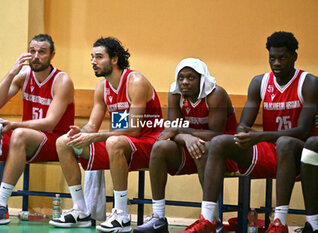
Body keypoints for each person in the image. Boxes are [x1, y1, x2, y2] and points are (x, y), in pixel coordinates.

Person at [195, 31, 318, 233]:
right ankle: (208, 219)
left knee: (285, 142)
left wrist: (259, 136)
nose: (276, 63)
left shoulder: (309, 82)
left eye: (282, 58)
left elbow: (303, 131)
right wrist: (244, 135)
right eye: (272, 58)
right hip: (271, 149)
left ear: (294, 57)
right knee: (219, 142)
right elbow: (243, 126)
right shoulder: (259, 82)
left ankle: (279, 222)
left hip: (300, 153)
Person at [50, 37, 163, 231]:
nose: (93, 61)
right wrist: (80, 132)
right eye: (92, 57)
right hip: (122, 142)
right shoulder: (102, 87)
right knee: (63, 142)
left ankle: (121, 215)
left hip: (149, 143)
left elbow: (135, 130)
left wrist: (93, 136)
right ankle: (81, 210)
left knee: (114, 142)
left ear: (114, 59)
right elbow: (93, 126)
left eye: (99, 57)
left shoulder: (136, 81)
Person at [0, 34, 75, 225]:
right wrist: (12, 73)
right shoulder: (24, 75)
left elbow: (50, 123)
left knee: (19, 133)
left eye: (42, 52)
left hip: (56, 141)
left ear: (52, 55)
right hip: (26, 139)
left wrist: (16, 124)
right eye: (32, 51)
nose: (35, 56)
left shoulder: (62, 80)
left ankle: (1, 205)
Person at [133, 58, 238, 233]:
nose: (184, 82)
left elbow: (217, 134)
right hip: (194, 150)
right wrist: (187, 138)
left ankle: (211, 219)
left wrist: (183, 132)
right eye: (181, 77)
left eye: (191, 78)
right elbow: (171, 132)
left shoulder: (216, 94)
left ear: (202, 79)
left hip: (225, 153)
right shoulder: (175, 93)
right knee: (159, 148)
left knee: (206, 147)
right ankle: (158, 218)